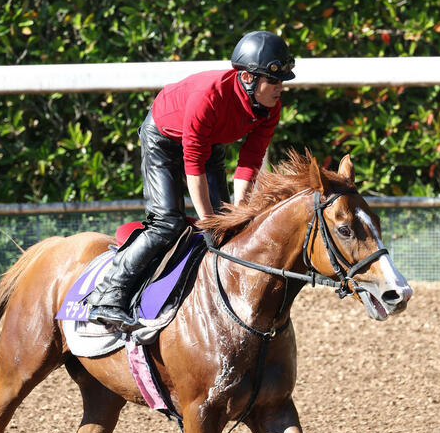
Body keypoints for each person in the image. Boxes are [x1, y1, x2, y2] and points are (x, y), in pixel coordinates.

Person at [87, 30, 295, 329]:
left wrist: (237, 214)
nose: (280, 89)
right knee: (167, 223)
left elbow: (248, 163)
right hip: (163, 139)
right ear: (248, 78)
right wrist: (209, 222)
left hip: (210, 146)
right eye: (274, 81)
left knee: (230, 223)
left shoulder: (270, 108)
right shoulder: (209, 96)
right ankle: (108, 298)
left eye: (282, 81)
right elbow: (193, 166)